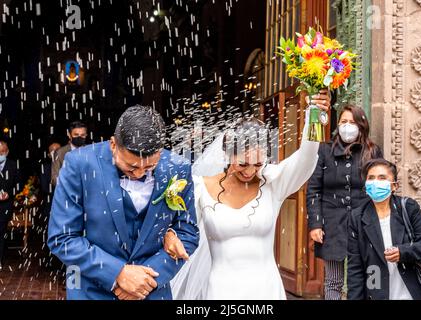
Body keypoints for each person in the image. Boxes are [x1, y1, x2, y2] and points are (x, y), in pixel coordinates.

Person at [165, 90, 331, 299]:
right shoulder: (200, 188)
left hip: (266, 290)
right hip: (221, 291)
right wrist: (170, 234)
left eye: (258, 164)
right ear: (227, 153)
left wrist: (313, 116)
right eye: (242, 163)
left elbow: (306, 158)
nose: (250, 171)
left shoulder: (273, 184)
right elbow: (180, 227)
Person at [48, 105, 199, 300]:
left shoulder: (178, 168)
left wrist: (145, 279)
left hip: (152, 292)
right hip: (91, 292)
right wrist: (117, 273)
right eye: (131, 167)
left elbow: (188, 232)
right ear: (113, 145)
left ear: (160, 152)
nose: (139, 174)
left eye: (149, 167)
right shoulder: (79, 163)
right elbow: (62, 238)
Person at [306, 105, 383, 300]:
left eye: (352, 122)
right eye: (343, 122)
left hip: (364, 223)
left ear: (361, 125)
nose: (347, 126)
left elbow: (380, 187)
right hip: (332, 225)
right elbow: (314, 190)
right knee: (333, 281)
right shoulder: (324, 151)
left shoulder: (372, 152)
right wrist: (315, 224)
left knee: (369, 277)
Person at [347, 158, 421, 300]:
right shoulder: (357, 217)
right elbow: (355, 268)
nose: (375, 182)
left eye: (382, 178)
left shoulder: (407, 208)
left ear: (394, 185)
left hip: (409, 292)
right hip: (376, 291)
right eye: (371, 178)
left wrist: (403, 252)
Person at [0, 140, 21, 270]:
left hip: (5, 206)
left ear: (7, 152)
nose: (0, 154)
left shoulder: (13, 165)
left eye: (2, 152)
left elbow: (18, 185)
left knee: (0, 232)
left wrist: (9, 194)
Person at [51, 121, 88, 186]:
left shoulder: (90, 151)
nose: (79, 137)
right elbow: (55, 178)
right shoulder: (60, 153)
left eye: (82, 135)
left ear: (86, 135)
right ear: (69, 134)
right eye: (76, 135)